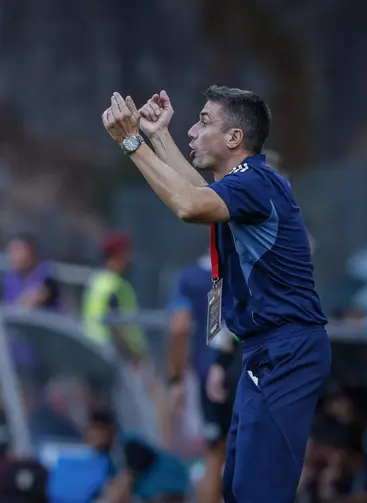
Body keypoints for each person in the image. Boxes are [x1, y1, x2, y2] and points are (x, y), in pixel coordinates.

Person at [101, 87, 331, 503]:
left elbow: (189, 205)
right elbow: (196, 193)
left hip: (286, 351)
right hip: (263, 349)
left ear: (234, 138)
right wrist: (158, 135)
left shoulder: (256, 182)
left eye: (203, 121)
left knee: (258, 492)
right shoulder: (244, 183)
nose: (192, 130)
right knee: (237, 487)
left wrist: (131, 142)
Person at [167, 254, 240, 503]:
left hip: (211, 374)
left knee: (215, 452)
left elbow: (179, 327)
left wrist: (175, 379)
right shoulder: (251, 268)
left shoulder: (192, 277)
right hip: (250, 370)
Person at [82, 232, 148, 363]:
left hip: (92, 351)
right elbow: (116, 325)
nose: (130, 259)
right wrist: (135, 355)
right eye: (127, 253)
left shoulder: (96, 281)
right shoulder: (116, 286)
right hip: (115, 356)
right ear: (118, 255)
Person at [2, 233, 62, 311]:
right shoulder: (9, 278)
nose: (12, 256)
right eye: (11, 251)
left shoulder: (46, 276)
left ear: (30, 252)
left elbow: (38, 296)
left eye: (17, 250)